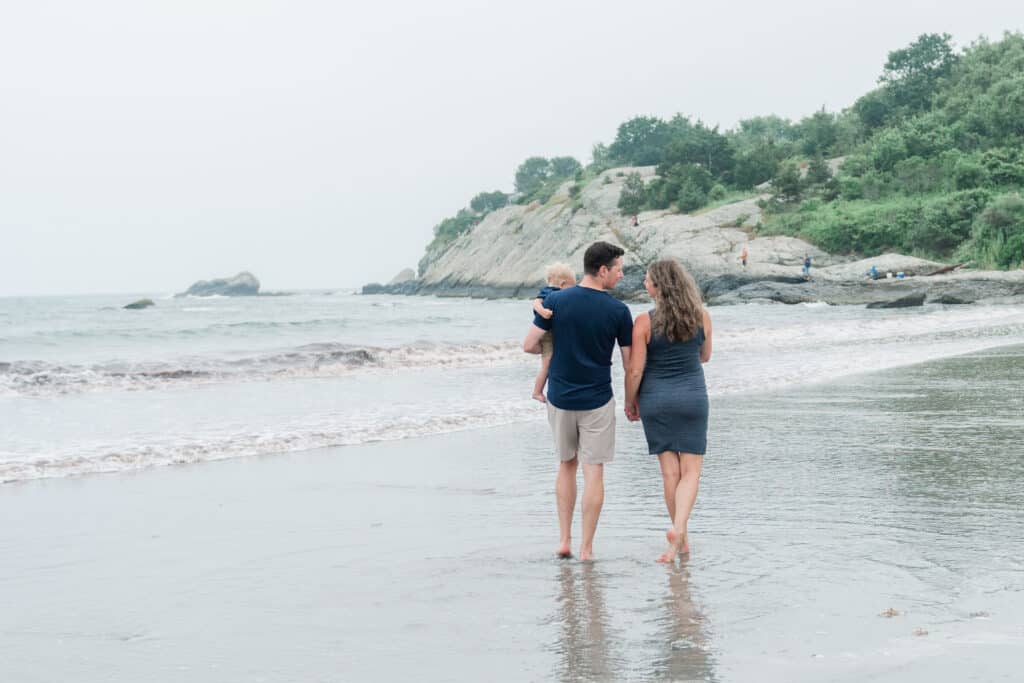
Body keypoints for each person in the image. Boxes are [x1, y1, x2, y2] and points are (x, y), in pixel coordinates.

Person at [523, 241, 634, 561]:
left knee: (566, 466)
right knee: (594, 471)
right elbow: (630, 364)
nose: (621, 274)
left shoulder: (554, 301)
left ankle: (564, 540)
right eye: (618, 269)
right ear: (602, 271)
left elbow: (529, 345)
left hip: (559, 397)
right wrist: (632, 400)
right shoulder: (618, 311)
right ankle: (586, 549)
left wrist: (554, 346)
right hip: (597, 399)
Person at [624, 259, 712, 563]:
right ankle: (679, 531)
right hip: (692, 398)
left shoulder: (644, 322)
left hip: (656, 400)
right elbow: (705, 356)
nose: (644, 284)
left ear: (660, 286)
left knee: (669, 472)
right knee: (691, 472)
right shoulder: (702, 316)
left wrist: (629, 401)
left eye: (648, 280)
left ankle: (680, 538)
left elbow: (635, 370)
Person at [531, 263, 577, 402]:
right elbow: (536, 303)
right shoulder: (548, 292)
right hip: (546, 333)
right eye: (572, 287)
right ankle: (537, 392)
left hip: (552, 331)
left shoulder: (555, 294)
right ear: (563, 284)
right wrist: (543, 311)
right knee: (547, 363)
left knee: (552, 361)